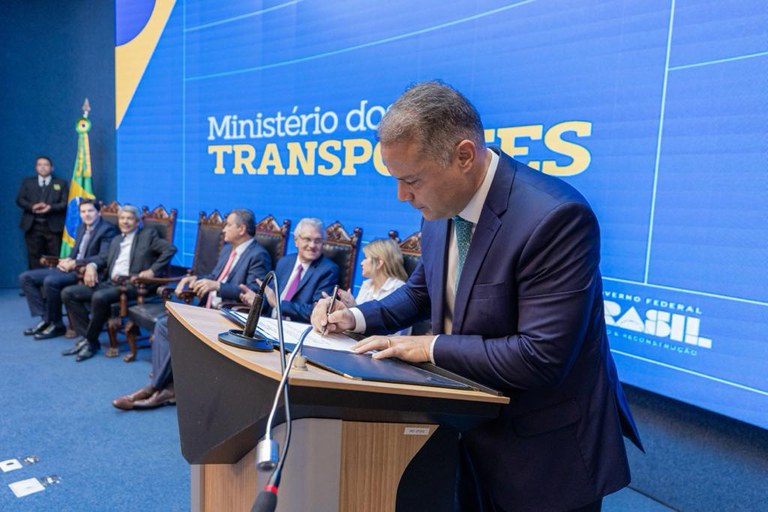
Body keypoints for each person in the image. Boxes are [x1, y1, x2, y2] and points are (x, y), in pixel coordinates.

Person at [312, 81, 643, 511]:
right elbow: (421, 293)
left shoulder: (555, 218)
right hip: (467, 432)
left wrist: (428, 347)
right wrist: (354, 319)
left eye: (411, 180)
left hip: (545, 455)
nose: (403, 196)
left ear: (464, 156)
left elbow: (541, 357)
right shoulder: (440, 208)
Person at [112, 209, 272, 410]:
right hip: (208, 309)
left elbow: (254, 294)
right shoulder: (227, 250)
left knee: (175, 328)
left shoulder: (258, 255)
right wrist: (193, 279)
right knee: (165, 325)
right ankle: (165, 388)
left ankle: (154, 388)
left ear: (241, 229)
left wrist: (219, 287)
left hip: (229, 317)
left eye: (228, 225)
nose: (223, 229)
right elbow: (213, 277)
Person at [61, 204, 176, 362]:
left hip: (132, 285)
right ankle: (89, 338)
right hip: (110, 283)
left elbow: (170, 249)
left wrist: (152, 270)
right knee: (68, 293)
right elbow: (103, 258)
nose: (125, 222)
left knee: (100, 297)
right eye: (122, 218)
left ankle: (89, 342)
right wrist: (91, 265)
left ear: (137, 222)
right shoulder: (116, 239)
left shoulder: (147, 235)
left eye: (129, 219)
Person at [19, 199, 119, 339]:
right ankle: (46, 319)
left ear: (99, 212)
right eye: (83, 212)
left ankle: (57, 325)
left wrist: (75, 263)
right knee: (26, 277)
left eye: (90, 211)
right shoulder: (81, 227)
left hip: (83, 271)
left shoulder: (107, 229)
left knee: (51, 281)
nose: (86, 214)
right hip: (71, 267)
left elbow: (103, 257)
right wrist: (66, 260)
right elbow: (76, 251)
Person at [240, 218, 338, 323]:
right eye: (307, 239)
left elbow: (317, 311)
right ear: (296, 240)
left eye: (318, 241)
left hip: (296, 327)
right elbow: (270, 299)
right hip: (268, 322)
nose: (312, 245)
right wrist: (257, 301)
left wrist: (279, 304)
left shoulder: (328, 270)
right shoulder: (285, 262)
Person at [335, 238, 411, 335]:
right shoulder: (366, 285)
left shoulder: (399, 289)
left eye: (365, 258)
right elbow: (360, 320)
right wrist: (351, 306)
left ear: (379, 263)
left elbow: (394, 332)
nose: (361, 263)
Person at [16, 156, 69, 269]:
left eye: (46, 165)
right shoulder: (28, 182)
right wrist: (32, 206)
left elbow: (65, 203)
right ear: (36, 167)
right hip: (33, 226)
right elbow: (20, 200)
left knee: (54, 257)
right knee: (34, 257)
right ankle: (34, 279)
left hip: (53, 227)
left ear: (52, 168)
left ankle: (53, 279)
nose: (43, 167)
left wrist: (51, 207)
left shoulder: (61, 183)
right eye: (40, 165)